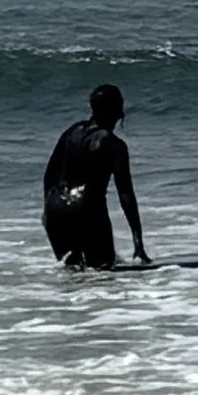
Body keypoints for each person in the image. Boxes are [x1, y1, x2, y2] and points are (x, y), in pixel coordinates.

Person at [43, 82, 148, 269]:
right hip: (86, 211)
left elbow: (49, 175)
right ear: (115, 109)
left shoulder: (72, 131)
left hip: (56, 209)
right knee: (102, 270)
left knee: (73, 270)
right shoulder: (114, 145)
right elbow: (126, 195)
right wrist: (138, 243)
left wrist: (48, 210)